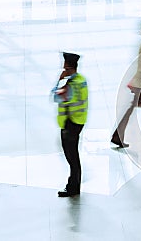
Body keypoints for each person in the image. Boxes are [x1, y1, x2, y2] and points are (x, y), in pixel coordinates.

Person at [53, 52, 88, 197]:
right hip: (78, 121)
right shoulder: (81, 80)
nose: (63, 70)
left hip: (71, 123)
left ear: (70, 68)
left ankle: (73, 187)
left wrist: (58, 81)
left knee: (71, 157)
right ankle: (74, 185)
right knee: (73, 156)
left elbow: (56, 96)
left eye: (65, 68)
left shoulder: (71, 84)